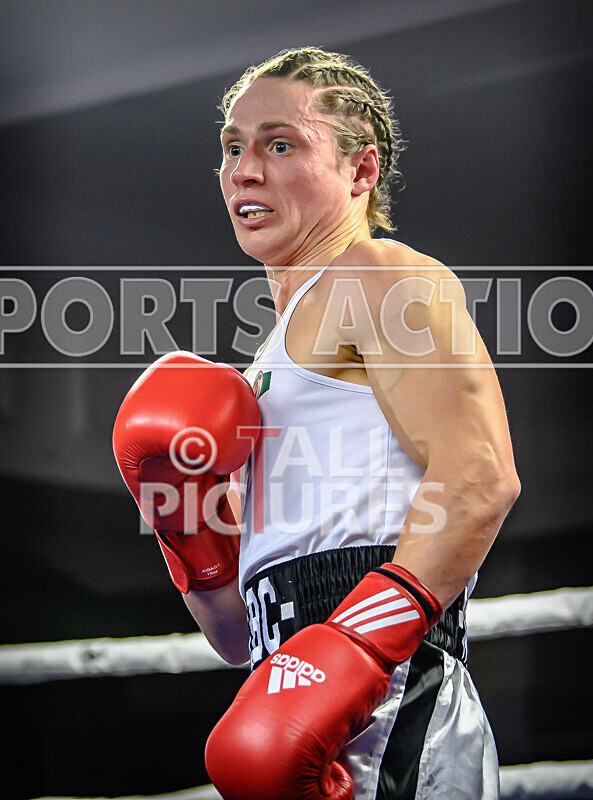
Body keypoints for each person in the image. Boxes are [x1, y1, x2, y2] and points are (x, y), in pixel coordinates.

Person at [114, 47, 520, 800]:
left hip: (393, 692)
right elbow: (235, 634)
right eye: (232, 147)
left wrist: (355, 647)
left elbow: (479, 479)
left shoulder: (380, 275)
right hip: (289, 692)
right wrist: (186, 526)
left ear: (361, 171)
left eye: (279, 145)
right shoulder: (264, 370)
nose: (244, 170)